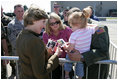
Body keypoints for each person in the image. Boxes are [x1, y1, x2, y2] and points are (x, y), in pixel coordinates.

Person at [16, 5, 62, 79]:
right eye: (43, 22)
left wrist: (46, 53)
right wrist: (56, 55)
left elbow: (30, 60)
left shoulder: (21, 36)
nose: (44, 26)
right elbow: (41, 73)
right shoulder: (34, 40)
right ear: (34, 20)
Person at [67, 10, 110, 79]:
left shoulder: (100, 28)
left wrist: (82, 57)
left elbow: (103, 51)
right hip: (85, 70)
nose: (71, 27)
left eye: (72, 24)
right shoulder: (81, 27)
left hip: (96, 71)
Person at [64, 11, 98, 79]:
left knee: (68, 60)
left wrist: (66, 46)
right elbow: (97, 27)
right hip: (84, 54)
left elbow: (71, 48)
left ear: (76, 25)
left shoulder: (74, 35)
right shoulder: (89, 29)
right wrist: (86, 25)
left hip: (75, 53)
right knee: (80, 65)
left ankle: (67, 74)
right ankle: (79, 77)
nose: (71, 27)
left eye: (71, 26)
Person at [43, 12, 72, 78]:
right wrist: (49, 51)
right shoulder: (46, 34)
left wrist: (68, 47)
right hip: (53, 62)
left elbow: (74, 44)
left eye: (57, 22)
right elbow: (47, 51)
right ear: (48, 25)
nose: (55, 25)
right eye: (52, 24)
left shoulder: (67, 30)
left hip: (66, 62)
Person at [7, 4, 24, 78]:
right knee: (19, 74)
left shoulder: (29, 23)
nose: (21, 13)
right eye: (18, 11)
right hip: (19, 54)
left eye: (22, 11)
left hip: (30, 53)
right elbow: (13, 42)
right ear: (14, 12)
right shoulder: (11, 25)